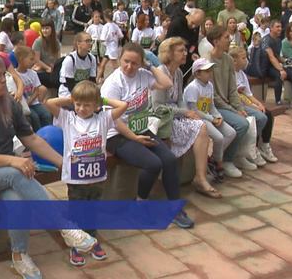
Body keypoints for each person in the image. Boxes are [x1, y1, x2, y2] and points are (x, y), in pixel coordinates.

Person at [0, 52, 98, 279]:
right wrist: (13, 160)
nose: (4, 80)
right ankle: (64, 226)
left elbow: (31, 139)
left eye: (5, 74)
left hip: (3, 172)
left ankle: (19, 256)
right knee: (16, 173)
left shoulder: (7, 102)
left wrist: (65, 164)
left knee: (16, 200)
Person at [100, 42, 194, 228]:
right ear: (119, 60)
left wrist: (150, 65)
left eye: (135, 63)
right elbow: (113, 120)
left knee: (169, 159)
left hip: (141, 127)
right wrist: (134, 138)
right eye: (126, 61)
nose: (129, 67)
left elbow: (166, 83)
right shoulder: (113, 83)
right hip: (116, 134)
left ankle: (174, 208)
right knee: (153, 163)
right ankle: (140, 202)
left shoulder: (143, 75)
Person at [45, 81, 127, 265]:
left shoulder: (103, 119)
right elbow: (49, 103)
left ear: (96, 105)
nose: (81, 108)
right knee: (76, 211)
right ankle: (76, 244)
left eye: (87, 104)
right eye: (78, 104)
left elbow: (123, 105)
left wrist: (101, 98)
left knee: (92, 210)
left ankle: (91, 240)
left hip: (97, 177)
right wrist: (72, 98)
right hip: (76, 179)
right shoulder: (68, 119)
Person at [153, 38, 221, 198]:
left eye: (185, 50)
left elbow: (179, 98)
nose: (185, 53)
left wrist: (186, 112)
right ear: (169, 54)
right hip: (161, 119)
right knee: (199, 126)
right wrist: (184, 113)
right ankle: (197, 178)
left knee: (201, 125)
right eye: (180, 51)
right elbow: (157, 107)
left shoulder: (177, 72)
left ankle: (200, 177)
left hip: (175, 115)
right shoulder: (160, 73)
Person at [206, 26, 257, 178]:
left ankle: (240, 155)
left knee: (261, 117)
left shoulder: (228, 59)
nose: (230, 40)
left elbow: (232, 89)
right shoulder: (208, 61)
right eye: (226, 37)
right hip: (214, 107)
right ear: (216, 41)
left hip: (229, 104)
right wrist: (233, 110)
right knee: (242, 124)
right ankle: (225, 160)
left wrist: (239, 107)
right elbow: (212, 96)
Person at [183, 57, 236, 186]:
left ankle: (212, 159)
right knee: (218, 138)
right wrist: (212, 119)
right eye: (206, 71)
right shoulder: (193, 88)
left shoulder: (210, 86)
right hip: (197, 118)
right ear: (197, 74)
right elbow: (194, 110)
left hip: (208, 116)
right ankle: (218, 163)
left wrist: (218, 116)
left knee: (231, 133)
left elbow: (211, 105)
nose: (210, 73)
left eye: (210, 70)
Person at [228, 47, 275, 166]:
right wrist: (253, 106)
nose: (246, 60)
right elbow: (236, 97)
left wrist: (259, 104)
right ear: (234, 60)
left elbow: (249, 94)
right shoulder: (229, 74)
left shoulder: (242, 74)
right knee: (261, 118)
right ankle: (250, 148)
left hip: (245, 102)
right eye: (243, 58)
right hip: (235, 104)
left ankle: (262, 145)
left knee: (267, 113)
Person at [14, 45, 51, 131]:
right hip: (23, 105)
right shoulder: (15, 75)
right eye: (31, 59)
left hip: (33, 102)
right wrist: (25, 104)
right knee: (34, 118)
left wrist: (30, 101)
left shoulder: (33, 73)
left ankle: (48, 131)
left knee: (46, 114)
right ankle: (38, 135)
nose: (33, 62)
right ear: (21, 59)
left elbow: (37, 90)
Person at [166, 8, 205, 83]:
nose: (193, 26)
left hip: (187, 59)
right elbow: (167, 44)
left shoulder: (195, 27)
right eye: (192, 23)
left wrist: (193, 53)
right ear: (189, 16)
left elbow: (194, 42)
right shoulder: (176, 24)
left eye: (196, 25)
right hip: (173, 58)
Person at [58, 32, 97, 98]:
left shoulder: (92, 58)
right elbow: (70, 85)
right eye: (87, 41)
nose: (90, 44)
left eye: (91, 41)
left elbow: (92, 81)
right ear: (78, 43)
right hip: (68, 93)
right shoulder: (70, 60)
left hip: (84, 92)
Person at [261, 20, 289, 106]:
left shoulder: (278, 40)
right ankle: (278, 100)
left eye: (280, 27)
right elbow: (271, 57)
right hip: (264, 66)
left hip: (273, 65)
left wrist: (287, 61)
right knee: (279, 75)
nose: (280, 29)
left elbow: (277, 56)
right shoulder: (266, 40)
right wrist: (281, 69)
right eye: (277, 27)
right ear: (271, 28)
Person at [32, 19, 61, 89]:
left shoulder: (56, 42)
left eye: (47, 28)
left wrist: (55, 67)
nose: (44, 30)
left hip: (53, 69)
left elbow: (58, 58)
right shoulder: (38, 42)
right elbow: (36, 60)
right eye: (43, 28)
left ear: (52, 29)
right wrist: (47, 68)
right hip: (41, 70)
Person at [99, 8, 123, 82]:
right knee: (102, 64)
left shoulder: (106, 26)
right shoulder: (115, 26)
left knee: (115, 66)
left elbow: (102, 38)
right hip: (113, 47)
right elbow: (121, 36)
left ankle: (120, 79)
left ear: (105, 17)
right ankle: (97, 79)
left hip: (110, 47)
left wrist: (107, 39)